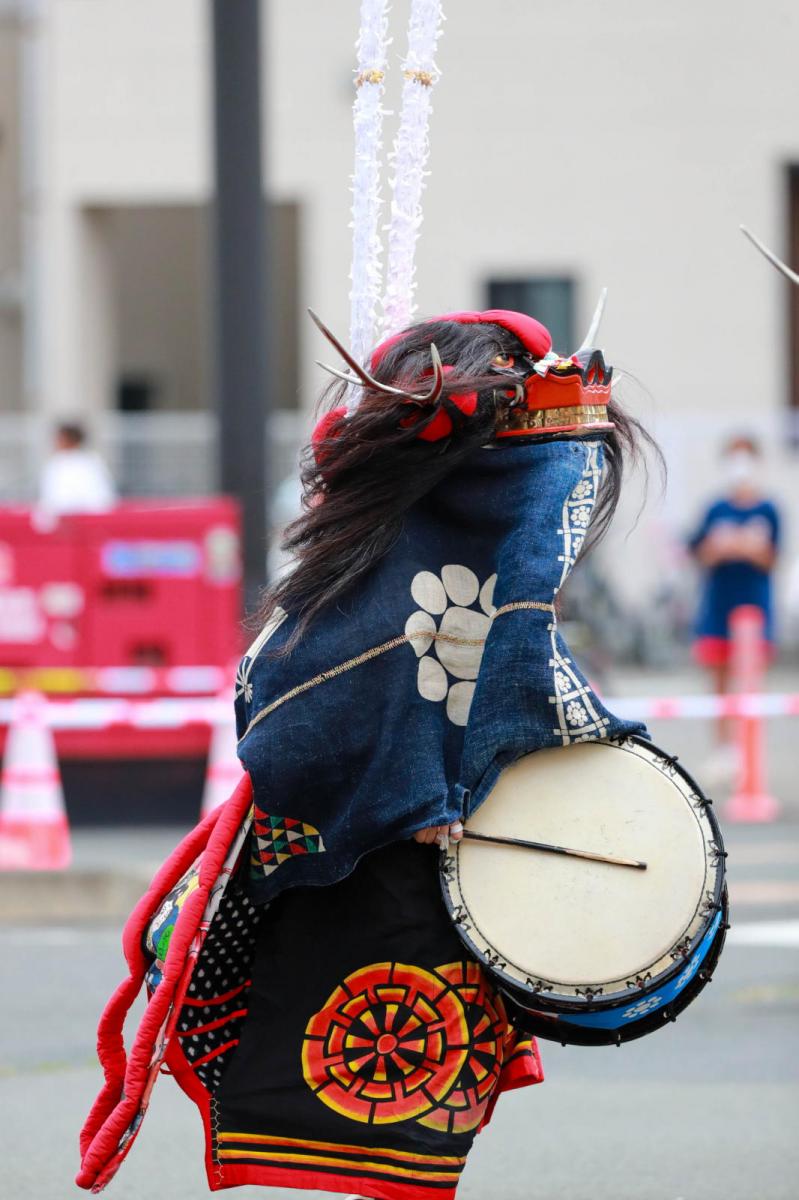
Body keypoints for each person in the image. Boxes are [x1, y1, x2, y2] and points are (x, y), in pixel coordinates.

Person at [77, 308, 655, 1199]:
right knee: (380, 1141)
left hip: (456, 891)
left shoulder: (496, 584)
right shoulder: (371, 590)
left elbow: (531, 697)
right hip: (361, 882)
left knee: (414, 1151)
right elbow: (283, 719)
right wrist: (406, 794)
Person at [688, 435, 781, 757]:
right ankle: (723, 750)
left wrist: (750, 549)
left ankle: (750, 751)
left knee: (751, 685)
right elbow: (697, 553)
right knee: (720, 685)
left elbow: (774, 559)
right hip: (718, 607)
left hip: (754, 609)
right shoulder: (716, 508)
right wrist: (717, 549)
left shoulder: (769, 509)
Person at [37, 421, 116, 518]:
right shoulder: (56, 463)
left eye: (61, 439)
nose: (56, 442)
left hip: (86, 519)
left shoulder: (89, 463)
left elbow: (99, 498)